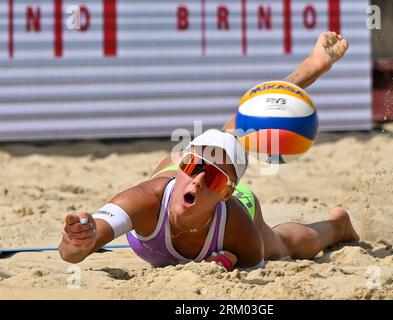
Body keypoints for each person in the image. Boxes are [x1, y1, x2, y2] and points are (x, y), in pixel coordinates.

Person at [59, 31, 359, 271]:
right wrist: (77, 240)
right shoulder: (143, 201)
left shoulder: (237, 226)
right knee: (229, 137)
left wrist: (229, 263)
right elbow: (73, 253)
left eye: (213, 181)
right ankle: (309, 67)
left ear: (225, 192)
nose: (199, 181)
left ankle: (337, 225)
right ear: (183, 166)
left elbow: (253, 266)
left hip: (229, 206)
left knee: (285, 245)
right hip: (176, 173)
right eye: (192, 168)